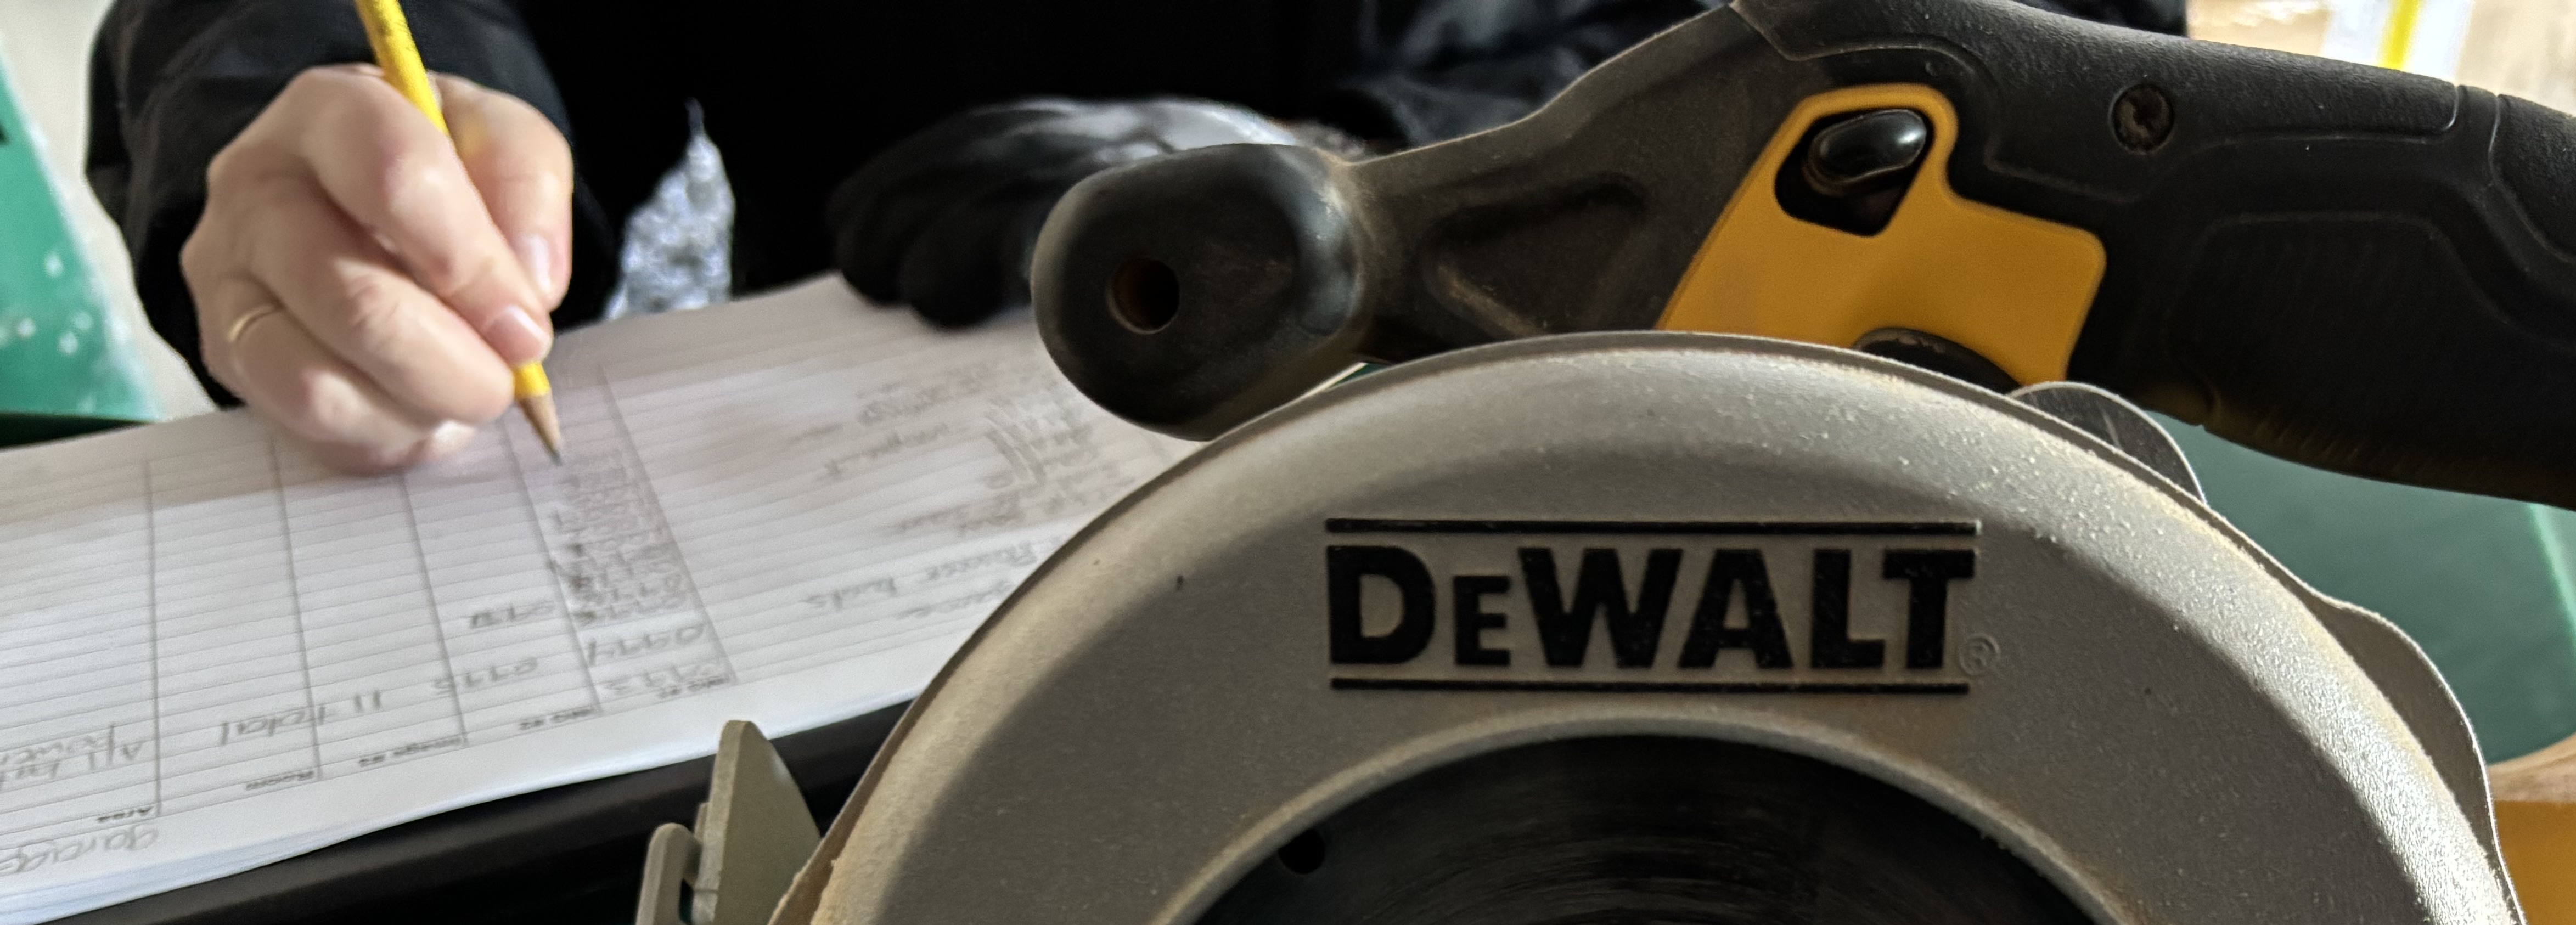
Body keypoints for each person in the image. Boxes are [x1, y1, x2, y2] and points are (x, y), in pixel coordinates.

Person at [86, 0, 2181, 475]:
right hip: (856, 674)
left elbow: (2066, 62)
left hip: (1710, 530)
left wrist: (1394, 184)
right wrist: (301, 118)